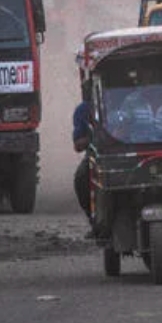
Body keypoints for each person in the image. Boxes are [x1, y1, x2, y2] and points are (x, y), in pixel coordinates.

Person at [72, 81, 95, 237]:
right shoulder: (83, 110)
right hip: (100, 153)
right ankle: (94, 220)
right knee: (82, 177)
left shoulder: (127, 102)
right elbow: (78, 144)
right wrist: (93, 137)